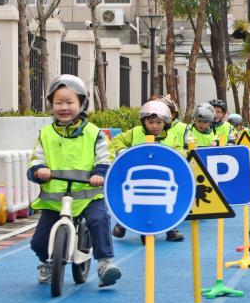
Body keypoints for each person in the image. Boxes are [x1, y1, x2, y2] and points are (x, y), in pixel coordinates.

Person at [27, 75, 120, 287]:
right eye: (58, 102)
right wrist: (38, 170)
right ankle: (46, 261)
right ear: (51, 105)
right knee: (39, 241)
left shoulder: (94, 133)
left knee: (99, 220)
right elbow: (36, 159)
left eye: (70, 102)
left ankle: (104, 263)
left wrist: (100, 173)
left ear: (82, 103)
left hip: (88, 196)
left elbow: (106, 157)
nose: (64, 107)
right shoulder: (46, 134)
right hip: (55, 200)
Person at [110, 100, 186, 242]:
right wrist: (122, 150)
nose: (154, 126)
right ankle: (122, 222)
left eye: (158, 122)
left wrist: (172, 156)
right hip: (138, 176)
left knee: (169, 201)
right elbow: (116, 140)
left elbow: (181, 152)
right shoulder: (135, 132)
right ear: (144, 121)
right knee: (128, 198)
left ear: (165, 122)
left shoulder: (171, 137)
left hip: (160, 178)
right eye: (150, 122)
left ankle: (171, 229)